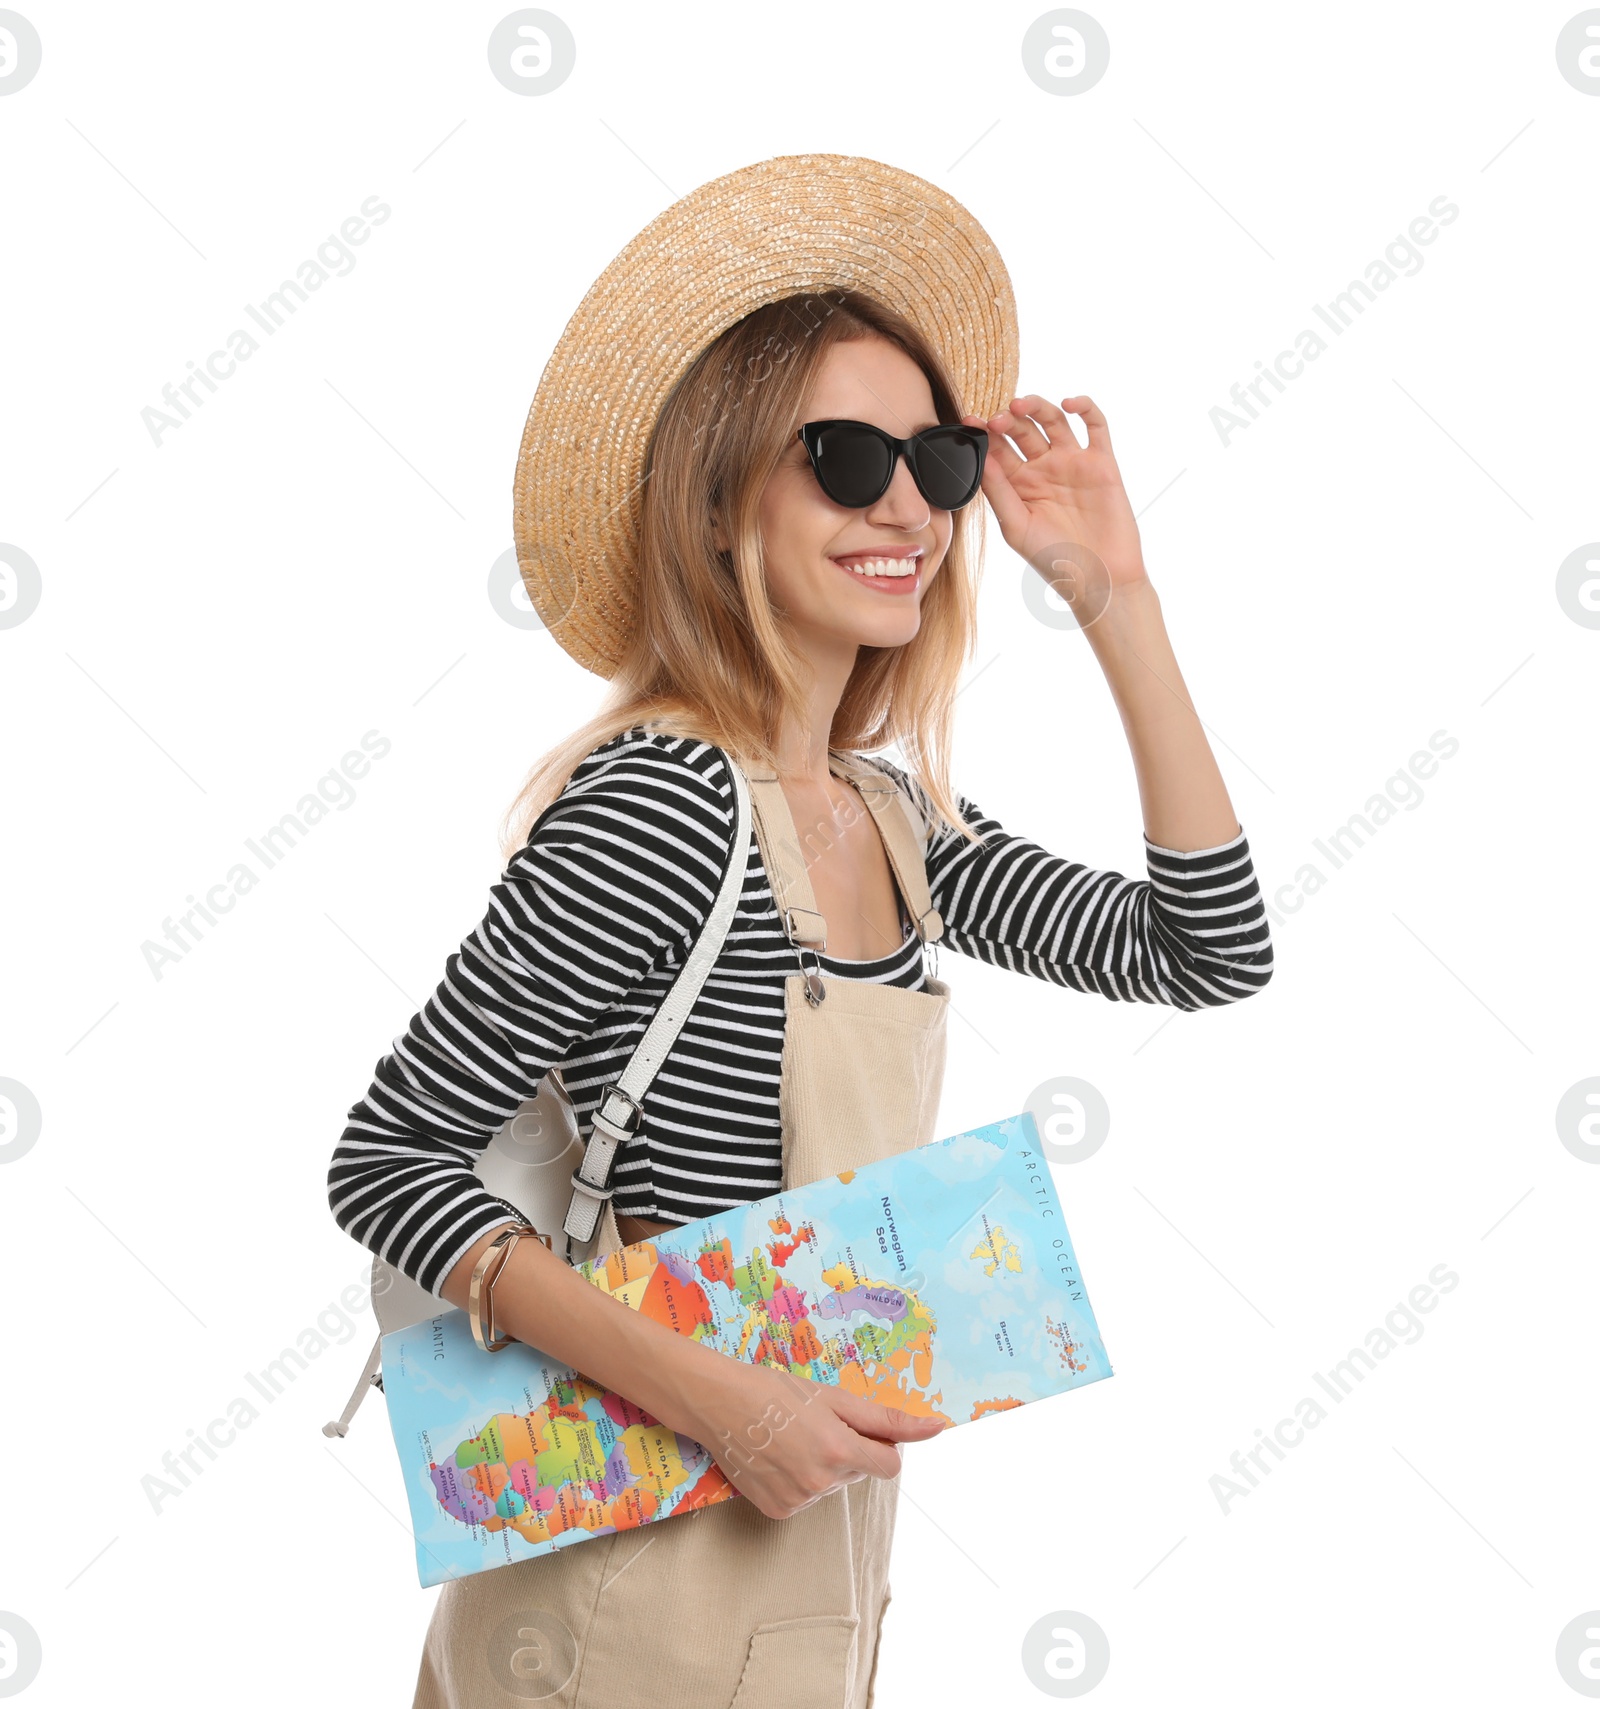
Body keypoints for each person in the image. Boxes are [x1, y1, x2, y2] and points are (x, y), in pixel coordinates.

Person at [327, 154, 1273, 1709]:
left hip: (812, 1578)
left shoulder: (896, 824)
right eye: (842, 457)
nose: (907, 504)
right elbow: (389, 1162)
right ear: (717, 503)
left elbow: (1208, 947)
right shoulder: (665, 808)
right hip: (625, 1584)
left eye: (939, 460)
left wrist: (1117, 595)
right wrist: (731, 1407)